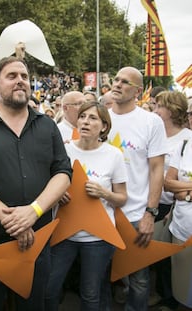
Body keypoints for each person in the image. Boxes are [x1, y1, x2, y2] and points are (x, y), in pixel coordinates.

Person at [0, 56, 72, 311]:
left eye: (24, 77)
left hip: (37, 243)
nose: (20, 81)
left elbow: (63, 172)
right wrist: (13, 220)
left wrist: (34, 212)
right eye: (12, 76)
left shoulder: (47, 126)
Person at [46, 102, 127, 311]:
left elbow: (122, 198)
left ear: (104, 127)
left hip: (98, 240)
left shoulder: (114, 155)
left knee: (91, 295)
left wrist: (104, 193)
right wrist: (57, 194)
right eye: (82, 116)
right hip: (62, 235)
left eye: (92, 118)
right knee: (49, 289)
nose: (85, 121)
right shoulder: (63, 150)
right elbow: (47, 187)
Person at [108, 67, 167, 311]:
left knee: (139, 280)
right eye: (116, 79)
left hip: (134, 215)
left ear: (138, 91)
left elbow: (156, 170)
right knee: (102, 276)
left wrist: (149, 214)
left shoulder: (151, 121)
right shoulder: (100, 116)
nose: (118, 84)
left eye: (125, 82)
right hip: (101, 214)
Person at [151, 90, 192, 310]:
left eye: (160, 106)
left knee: (172, 256)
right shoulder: (156, 134)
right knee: (158, 253)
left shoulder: (187, 138)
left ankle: (171, 298)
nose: (155, 110)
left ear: (173, 110)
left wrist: (182, 193)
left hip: (173, 205)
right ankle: (165, 294)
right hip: (155, 202)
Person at [164, 136, 192, 310]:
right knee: (183, 288)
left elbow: (175, 185)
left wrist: (185, 192)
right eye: (190, 114)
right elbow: (167, 183)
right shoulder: (185, 145)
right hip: (182, 228)